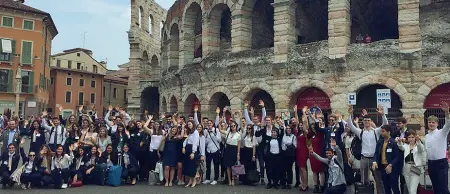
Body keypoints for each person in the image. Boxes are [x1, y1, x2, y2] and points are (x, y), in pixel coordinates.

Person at [425, 102, 450, 194]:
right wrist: (427, 166)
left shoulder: (441, 133)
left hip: (441, 164)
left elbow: (448, 124)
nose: (431, 124)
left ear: (437, 124)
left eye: (433, 122)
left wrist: (447, 113)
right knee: (435, 188)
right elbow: (428, 152)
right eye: (429, 122)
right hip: (431, 164)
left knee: (443, 189)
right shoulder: (427, 136)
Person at [373, 125, 401, 194]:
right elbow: (376, 153)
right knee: (386, 187)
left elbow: (398, 156)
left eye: (383, 131)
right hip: (383, 167)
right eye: (381, 131)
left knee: (394, 187)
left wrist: (391, 165)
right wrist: (375, 161)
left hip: (392, 168)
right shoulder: (380, 142)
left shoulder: (394, 142)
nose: (381, 133)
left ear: (388, 132)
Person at [396, 130, 426, 194]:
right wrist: (399, 142)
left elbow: (421, 149)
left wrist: (418, 141)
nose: (411, 139)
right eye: (409, 137)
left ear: (415, 137)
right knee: (409, 190)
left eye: (412, 137)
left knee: (412, 191)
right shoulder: (406, 146)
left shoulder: (419, 146)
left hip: (415, 168)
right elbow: (400, 147)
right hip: (406, 168)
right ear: (407, 138)